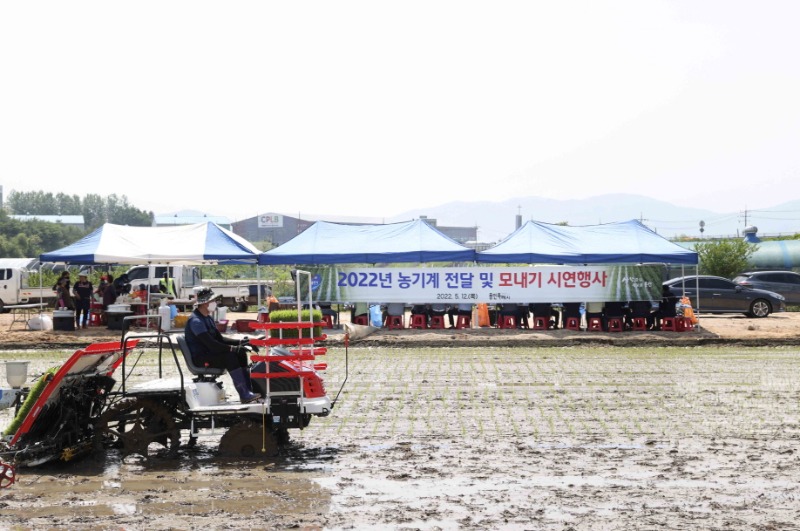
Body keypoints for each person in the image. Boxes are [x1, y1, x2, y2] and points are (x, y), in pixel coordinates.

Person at [184, 288, 261, 403]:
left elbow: (220, 339)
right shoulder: (196, 321)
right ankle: (244, 394)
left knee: (240, 353)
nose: (216, 303)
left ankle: (248, 390)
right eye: (213, 300)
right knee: (230, 356)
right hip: (201, 358)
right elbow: (212, 344)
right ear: (205, 303)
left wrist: (242, 343)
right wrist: (232, 348)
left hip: (210, 354)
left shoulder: (207, 318)